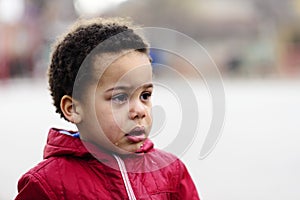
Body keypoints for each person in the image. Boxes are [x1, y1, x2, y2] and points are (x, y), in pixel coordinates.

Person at [15, 17, 200, 200]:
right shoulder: (46, 184)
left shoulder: (171, 171)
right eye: (119, 97)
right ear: (73, 109)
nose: (140, 111)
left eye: (145, 95)